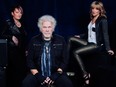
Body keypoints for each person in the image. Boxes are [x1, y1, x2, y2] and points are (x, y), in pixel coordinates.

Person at [68, 0, 114, 86]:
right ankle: (65, 61)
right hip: (88, 42)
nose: (94, 10)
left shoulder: (102, 20)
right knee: (71, 38)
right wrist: (80, 36)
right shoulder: (92, 18)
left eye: (96, 9)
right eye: (93, 8)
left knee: (75, 52)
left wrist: (108, 48)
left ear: (100, 10)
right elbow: (89, 33)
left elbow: (105, 34)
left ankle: (85, 74)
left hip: (96, 45)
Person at [22, 15, 73, 87]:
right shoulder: (33, 40)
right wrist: (38, 76)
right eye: (44, 27)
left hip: (56, 73)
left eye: (49, 27)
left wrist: (56, 75)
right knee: (26, 83)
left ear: (53, 29)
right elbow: (29, 60)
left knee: (67, 84)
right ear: (40, 29)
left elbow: (65, 60)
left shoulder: (60, 40)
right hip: (37, 73)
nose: (47, 30)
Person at [1, 4, 27, 87]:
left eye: (21, 12)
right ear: (12, 13)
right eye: (17, 12)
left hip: (22, 53)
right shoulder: (8, 23)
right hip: (12, 53)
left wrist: (26, 49)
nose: (19, 14)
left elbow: (24, 38)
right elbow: (1, 35)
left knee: (22, 73)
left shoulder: (23, 24)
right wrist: (11, 37)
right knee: (13, 74)